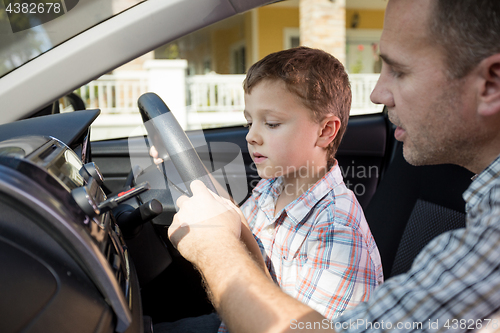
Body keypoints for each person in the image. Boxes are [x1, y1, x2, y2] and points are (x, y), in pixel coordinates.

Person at [168, 0, 500, 331]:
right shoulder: (271, 186)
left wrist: (215, 249)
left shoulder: (338, 230)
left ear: (490, 85)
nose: (376, 94)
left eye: (399, 70)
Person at [154, 47, 383, 333]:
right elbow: (239, 227)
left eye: (271, 123)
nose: (251, 136)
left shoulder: (337, 231)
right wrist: (185, 170)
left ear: (325, 131)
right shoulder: (272, 185)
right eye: (249, 122)